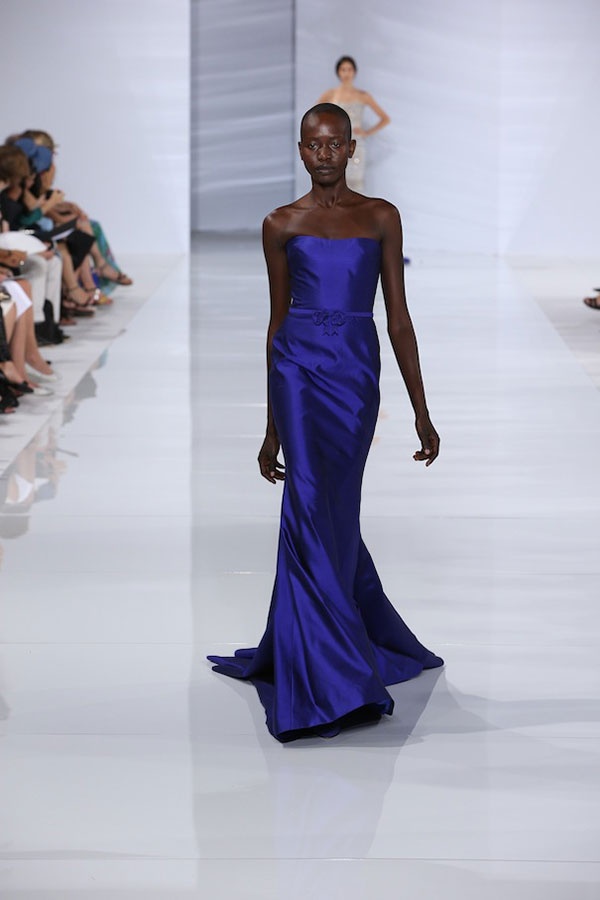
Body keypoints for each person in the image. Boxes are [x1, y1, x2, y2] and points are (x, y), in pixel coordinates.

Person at [208, 104, 443, 743]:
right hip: (298, 373)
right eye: (314, 145)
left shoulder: (382, 216)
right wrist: (271, 426)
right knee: (307, 503)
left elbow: (398, 317)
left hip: (355, 378)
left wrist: (420, 409)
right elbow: (276, 322)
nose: (324, 154)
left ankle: (335, 641)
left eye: (335, 144)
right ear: (300, 150)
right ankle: (329, 674)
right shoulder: (280, 223)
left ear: (351, 148)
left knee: (337, 507)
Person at [317, 56, 390, 193]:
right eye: (343, 69)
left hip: (356, 145)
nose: (346, 73)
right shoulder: (330, 94)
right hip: (335, 145)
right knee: (335, 184)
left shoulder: (363, 96)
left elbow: (385, 119)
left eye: (349, 69)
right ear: (338, 72)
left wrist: (367, 132)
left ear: (354, 72)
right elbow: (315, 117)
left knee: (355, 185)